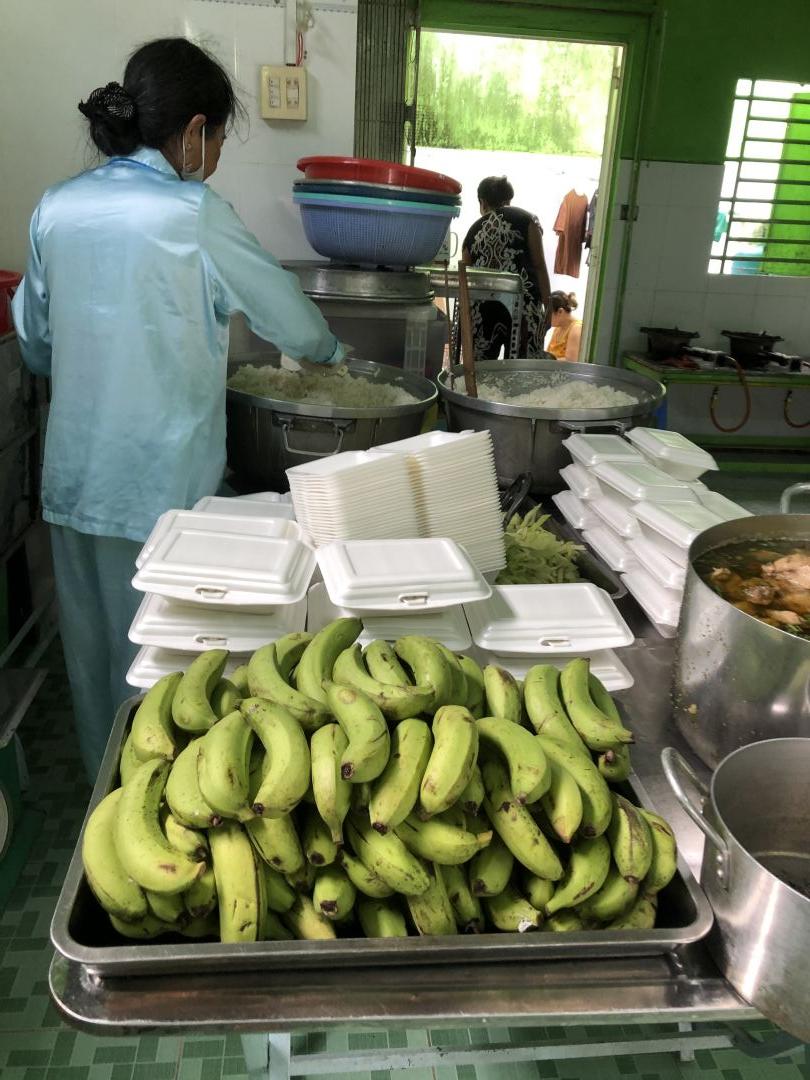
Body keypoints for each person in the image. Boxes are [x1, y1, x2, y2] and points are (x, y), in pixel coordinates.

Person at [12, 38, 346, 782]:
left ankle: (106, 803)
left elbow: (34, 343)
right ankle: (164, 809)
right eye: (219, 139)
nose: (216, 156)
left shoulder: (55, 207)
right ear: (195, 131)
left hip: (73, 484)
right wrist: (332, 355)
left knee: (93, 665)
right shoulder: (193, 213)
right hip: (160, 496)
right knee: (162, 674)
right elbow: (291, 322)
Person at [460, 175, 551, 360]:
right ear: (509, 199)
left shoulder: (473, 232)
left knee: (482, 370)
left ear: (482, 202)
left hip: (484, 312)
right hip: (524, 309)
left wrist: (464, 322)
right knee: (523, 370)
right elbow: (539, 265)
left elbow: (465, 280)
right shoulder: (528, 220)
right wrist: (548, 307)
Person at [546, 291, 582, 362]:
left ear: (560, 311)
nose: (546, 318)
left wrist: (545, 362)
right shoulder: (558, 328)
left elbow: (571, 361)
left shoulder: (576, 329)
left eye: (549, 315)